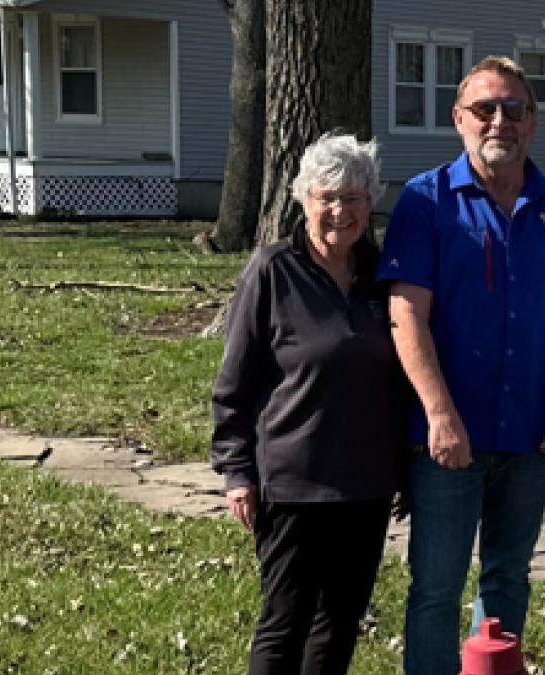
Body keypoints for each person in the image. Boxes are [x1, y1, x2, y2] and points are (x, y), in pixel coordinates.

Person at [378, 55, 545, 675]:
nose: (499, 120)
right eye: (485, 108)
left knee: (508, 579)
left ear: (533, 122)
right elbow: (406, 317)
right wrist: (438, 414)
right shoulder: (426, 202)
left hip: (533, 432)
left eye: (514, 108)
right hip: (451, 437)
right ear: (459, 120)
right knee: (436, 587)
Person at [210, 132, 409, 675]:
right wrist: (236, 471)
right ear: (303, 199)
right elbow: (234, 382)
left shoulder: (385, 275)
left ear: (371, 202)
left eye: (354, 198)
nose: (340, 211)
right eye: (328, 196)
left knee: (340, 622)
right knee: (285, 621)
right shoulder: (272, 269)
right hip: (292, 482)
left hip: (366, 483)